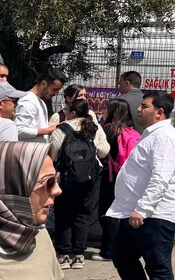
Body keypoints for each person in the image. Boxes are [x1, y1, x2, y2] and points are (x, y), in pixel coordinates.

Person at [107, 91, 175, 279]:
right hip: (136, 212)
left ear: (159, 112)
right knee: (121, 255)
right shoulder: (152, 134)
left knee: (158, 268)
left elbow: (160, 178)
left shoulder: (164, 137)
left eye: (145, 106)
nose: (139, 109)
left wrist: (143, 209)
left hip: (154, 215)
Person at [48, 98, 109, 270]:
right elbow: (104, 151)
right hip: (89, 180)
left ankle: (64, 255)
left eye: (67, 110)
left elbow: (53, 154)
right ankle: (79, 255)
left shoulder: (61, 129)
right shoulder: (94, 128)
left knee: (63, 215)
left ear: (73, 112)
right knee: (83, 215)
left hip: (65, 179)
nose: (65, 112)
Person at [0, 141, 64, 279]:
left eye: (56, 179)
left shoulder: (38, 234)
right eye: (49, 182)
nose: (58, 190)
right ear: (15, 186)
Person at [97, 99, 140, 262]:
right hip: (127, 176)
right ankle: (124, 247)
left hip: (110, 177)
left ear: (112, 111)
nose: (103, 112)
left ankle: (108, 251)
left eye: (106, 109)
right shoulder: (131, 129)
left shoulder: (107, 130)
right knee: (122, 212)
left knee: (107, 212)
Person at [14, 69, 67, 142]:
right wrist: (47, 131)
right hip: (28, 149)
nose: (56, 93)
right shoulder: (28, 101)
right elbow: (18, 130)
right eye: (55, 89)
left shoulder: (39, 101)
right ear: (43, 84)